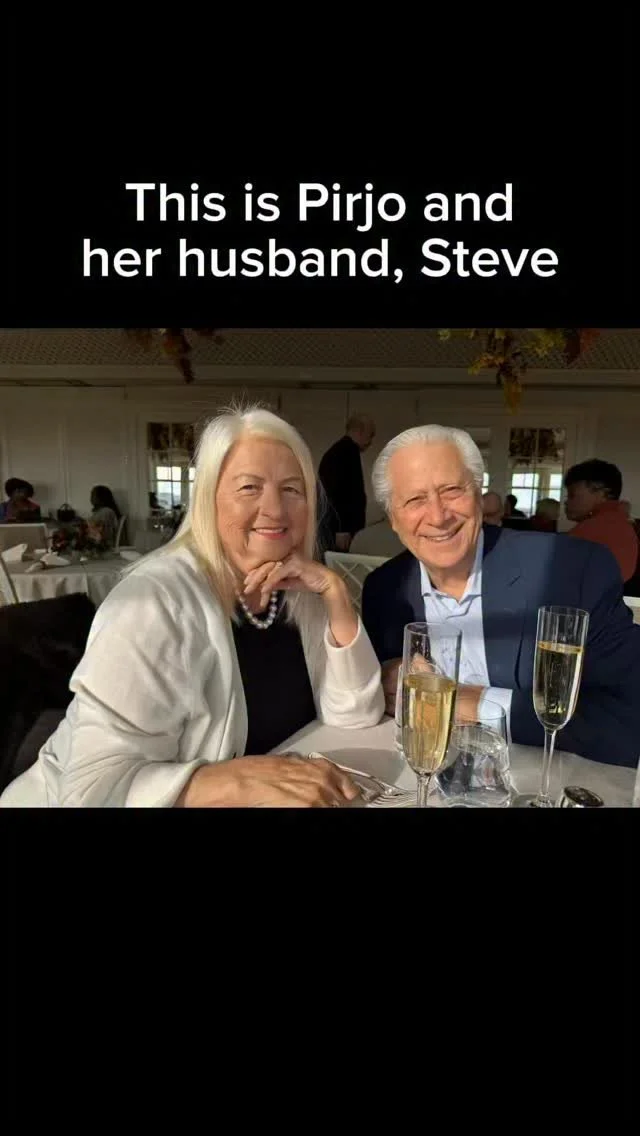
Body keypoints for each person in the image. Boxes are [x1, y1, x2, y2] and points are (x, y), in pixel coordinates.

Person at [0, 405, 384, 808]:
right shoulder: (150, 603)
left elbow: (356, 714)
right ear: (208, 500)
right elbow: (91, 790)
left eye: (292, 489)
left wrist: (336, 595)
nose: (275, 509)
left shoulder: (298, 589)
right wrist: (240, 782)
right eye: (249, 488)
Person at [360, 424, 640, 768]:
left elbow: (628, 719)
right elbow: (373, 700)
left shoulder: (572, 570)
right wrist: (382, 679)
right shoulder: (384, 589)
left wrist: (476, 703)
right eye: (415, 499)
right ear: (392, 518)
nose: (438, 516)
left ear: (479, 495)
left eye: (451, 490)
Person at [564, 459, 639, 583]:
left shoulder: (594, 528)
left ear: (602, 492)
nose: (566, 502)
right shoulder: (620, 521)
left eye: (572, 495)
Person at [318, 413, 376, 551]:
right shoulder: (345, 453)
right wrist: (341, 529)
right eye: (371, 435)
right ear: (360, 431)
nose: (371, 441)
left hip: (338, 528)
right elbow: (338, 493)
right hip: (339, 530)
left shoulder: (342, 451)